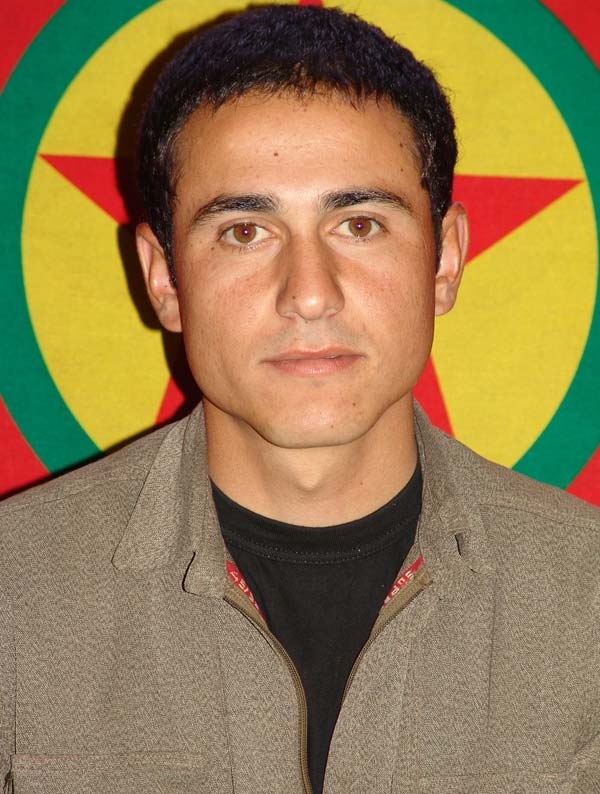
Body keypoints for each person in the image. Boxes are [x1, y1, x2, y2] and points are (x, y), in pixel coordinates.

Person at [1, 5, 598, 793]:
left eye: (360, 224)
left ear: (446, 260)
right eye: (245, 231)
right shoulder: (16, 595)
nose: (309, 294)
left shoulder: (586, 599)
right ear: (165, 279)